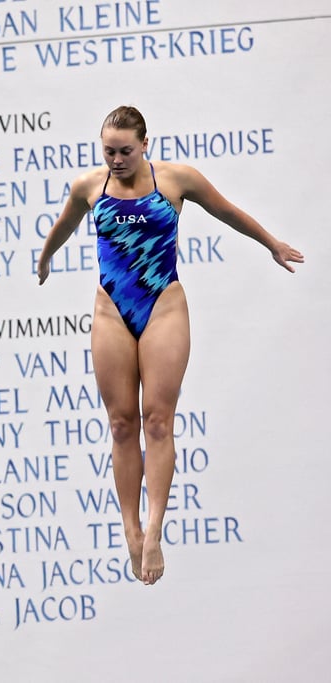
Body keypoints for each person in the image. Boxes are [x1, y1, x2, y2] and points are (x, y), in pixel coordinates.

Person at [37, 106, 303, 586]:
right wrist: (45, 257)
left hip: (162, 304)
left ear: (145, 145)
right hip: (111, 310)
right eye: (108, 151)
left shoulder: (176, 180)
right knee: (121, 424)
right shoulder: (89, 188)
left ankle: (155, 528)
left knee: (157, 419)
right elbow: (65, 225)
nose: (116, 160)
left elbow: (228, 211)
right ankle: (130, 528)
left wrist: (270, 243)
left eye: (124, 150)